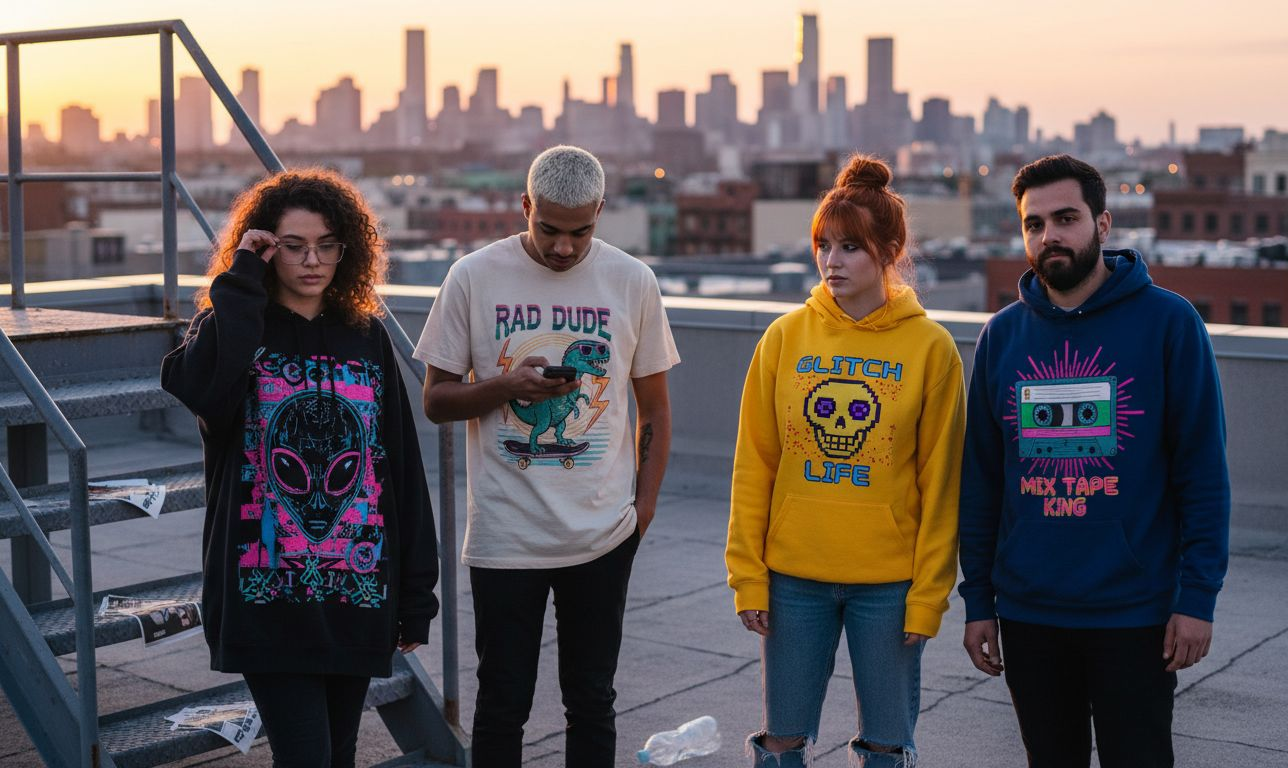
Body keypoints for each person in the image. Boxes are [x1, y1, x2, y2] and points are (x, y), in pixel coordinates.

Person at [958, 154, 1231, 768]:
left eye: (1066, 218)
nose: (1048, 236)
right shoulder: (1001, 336)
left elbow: (1203, 475)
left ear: (1103, 224)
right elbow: (981, 483)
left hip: (1135, 613)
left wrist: (1197, 598)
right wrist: (978, 601)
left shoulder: (1170, 323)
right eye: (1033, 224)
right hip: (1029, 612)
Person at [161, 169, 440, 768]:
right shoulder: (233, 329)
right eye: (293, 246)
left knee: (339, 755)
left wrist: (416, 593)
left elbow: (399, 469)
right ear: (267, 247)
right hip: (266, 601)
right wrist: (242, 278)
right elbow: (200, 388)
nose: (312, 261)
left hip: (356, 596)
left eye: (326, 245)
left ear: (347, 249)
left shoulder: (366, 336)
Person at [414, 145, 679, 767]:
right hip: (506, 534)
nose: (564, 247)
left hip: (603, 534)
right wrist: (508, 386)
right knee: (502, 702)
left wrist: (642, 511)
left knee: (592, 701)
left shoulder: (632, 280)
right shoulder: (473, 275)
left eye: (580, 232)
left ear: (600, 212)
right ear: (525, 206)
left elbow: (656, 410)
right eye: (549, 229)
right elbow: (436, 401)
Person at [725, 154, 966, 767]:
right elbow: (754, 465)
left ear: (890, 251)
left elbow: (941, 484)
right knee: (780, 740)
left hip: (888, 585)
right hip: (792, 578)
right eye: (823, 245)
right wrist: (747, 574)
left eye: (851, 247)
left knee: (886, 744)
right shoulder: (784, 338)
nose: (832, 260)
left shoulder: (931, 348)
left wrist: (929, 594)